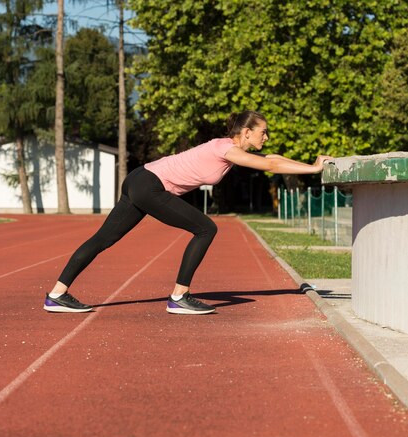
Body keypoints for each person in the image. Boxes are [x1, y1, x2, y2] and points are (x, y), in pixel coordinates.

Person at [43, 110, 331, 315]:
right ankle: (179, 296)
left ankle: (56, 294)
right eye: (263, 131)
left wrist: (311, 164)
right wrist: (314, 169)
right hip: (149, 185)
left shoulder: (229, 150)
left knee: (103, 239)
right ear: (246, 132)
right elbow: (270, 166)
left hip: (139, 179)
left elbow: (271, 159)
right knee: (206, 228)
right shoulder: (226, 149)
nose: (266, 136)